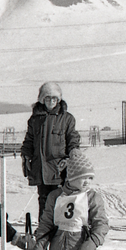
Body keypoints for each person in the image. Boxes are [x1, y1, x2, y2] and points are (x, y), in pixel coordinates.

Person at [21, 82, 80, 219]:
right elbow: (29, 139)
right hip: (41, 169)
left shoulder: (67, 119)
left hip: (59, 169)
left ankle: (59, 232)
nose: (51, 101)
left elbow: (73, 139)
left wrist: (71, 156)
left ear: (58, 100)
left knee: (60, 201)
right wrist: (25, 155)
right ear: (42, 99)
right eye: (48, 98)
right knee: (43, 201)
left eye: (54, 98)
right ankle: (43, 231)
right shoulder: (34, 120)